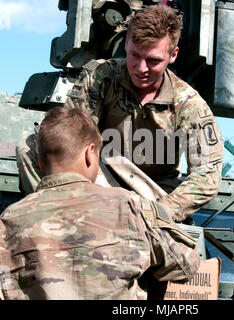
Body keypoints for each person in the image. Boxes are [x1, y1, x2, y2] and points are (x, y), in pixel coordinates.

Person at [16, 4, 223, 223]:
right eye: (134, 55)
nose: (141, 68)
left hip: (151, 194)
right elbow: (68, 139)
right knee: (31, 149)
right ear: (126, 43)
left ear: (173, 55)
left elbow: (207, 175)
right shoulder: (101, 77)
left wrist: (160, 213)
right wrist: (94, 187)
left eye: (153, 60)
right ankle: (59, 226)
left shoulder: (188, 103)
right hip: (97, 180)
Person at [0, 107, 200, 300]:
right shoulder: (130, 206)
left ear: (39, 162)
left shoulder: (8, 220)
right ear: (90, 154)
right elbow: (185, 265)